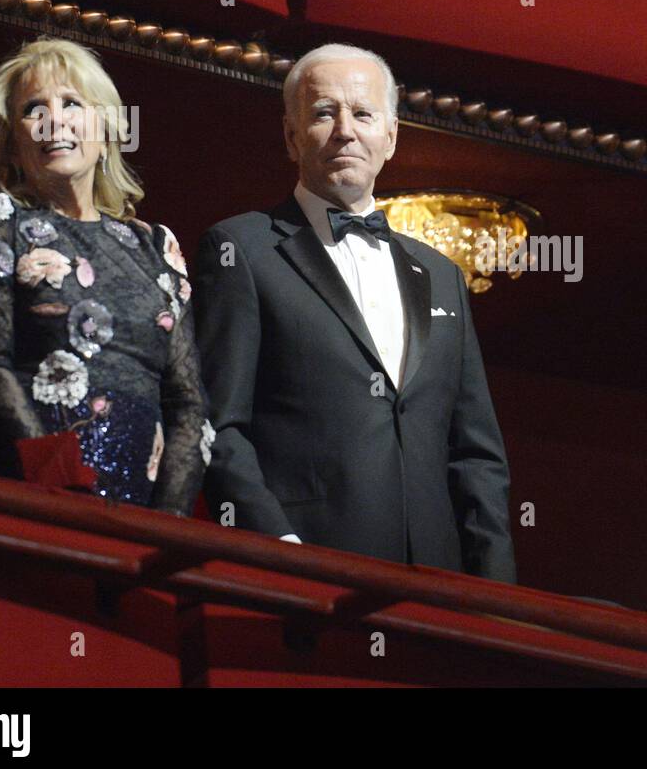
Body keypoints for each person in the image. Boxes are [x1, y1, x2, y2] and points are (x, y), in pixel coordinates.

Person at [192, 43, 515, 580]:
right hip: (310, 578)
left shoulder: (442, 275)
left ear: (390, 137)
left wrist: (501, 597)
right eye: (324, 113)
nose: (345, 129)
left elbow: (476, 452)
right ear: (292, 137)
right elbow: (218, 425)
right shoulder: (240, 249)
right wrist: (282, 549)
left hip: (443, 589)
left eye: (363, 114)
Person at [0, 37, 207, 515]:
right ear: (13, 141)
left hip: (142, 516)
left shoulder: (155, 246)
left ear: (106, 126)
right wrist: (59, 483)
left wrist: (169, 521)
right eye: (33, 109)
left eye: (71, 103)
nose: (54, 121)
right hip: (30, 502)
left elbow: (188, 402)